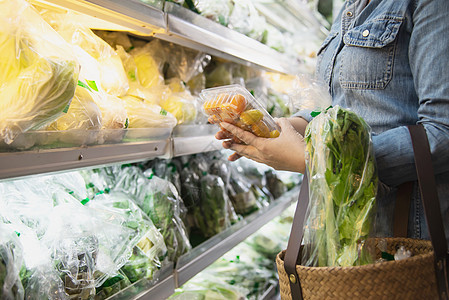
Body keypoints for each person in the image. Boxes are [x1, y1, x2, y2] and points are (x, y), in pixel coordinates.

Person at [215, 0, 449, 244]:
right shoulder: (348, 8)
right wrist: (278, 127)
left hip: (403, 231)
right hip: (341, 223)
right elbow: (335, 110)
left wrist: (317, 160)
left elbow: (442, 131)